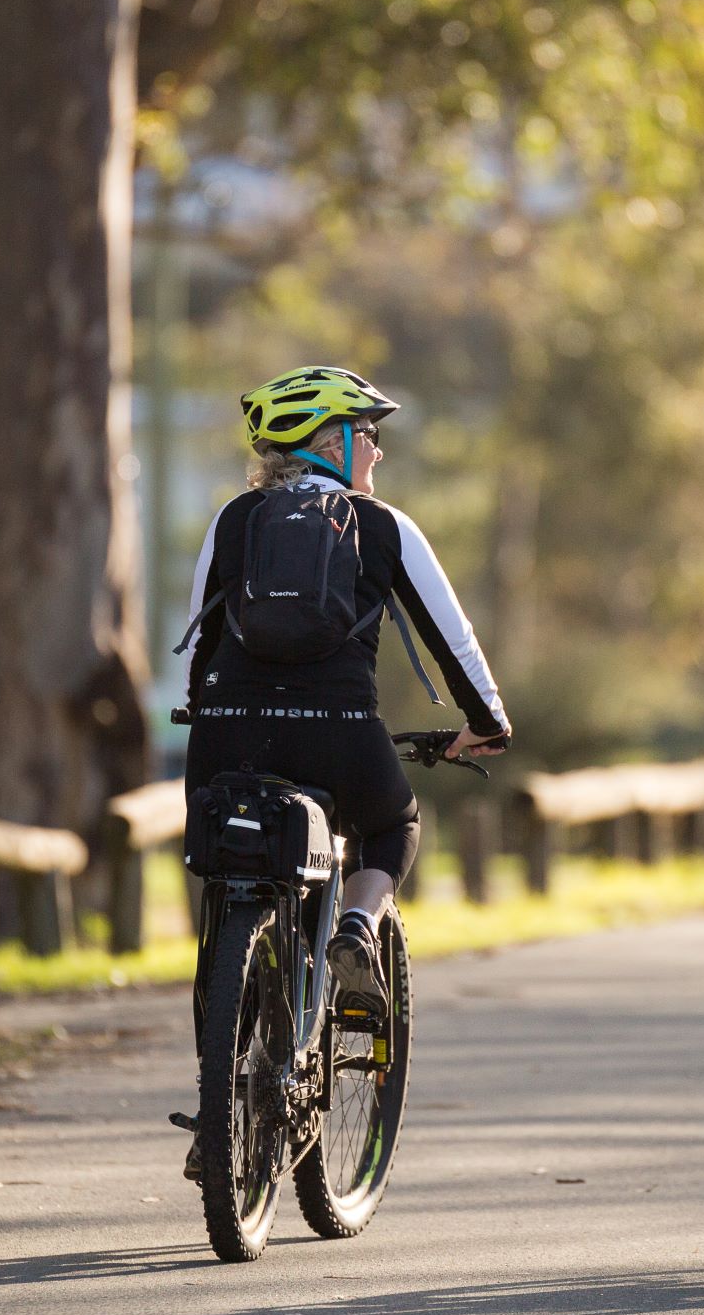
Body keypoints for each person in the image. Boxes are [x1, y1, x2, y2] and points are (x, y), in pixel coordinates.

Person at [176, 365, 510, 1174]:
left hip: (229, 734)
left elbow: (198, 636)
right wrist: (485, 725)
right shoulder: (381, 523)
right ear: (338, 443)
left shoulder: (233, 518)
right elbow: (450, 638)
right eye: (372, 437)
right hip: (337, 727)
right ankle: (359, 923)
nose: (379, 455)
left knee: (228, 887)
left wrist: (210, 714)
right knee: (391, 824)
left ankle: (216, 1106)